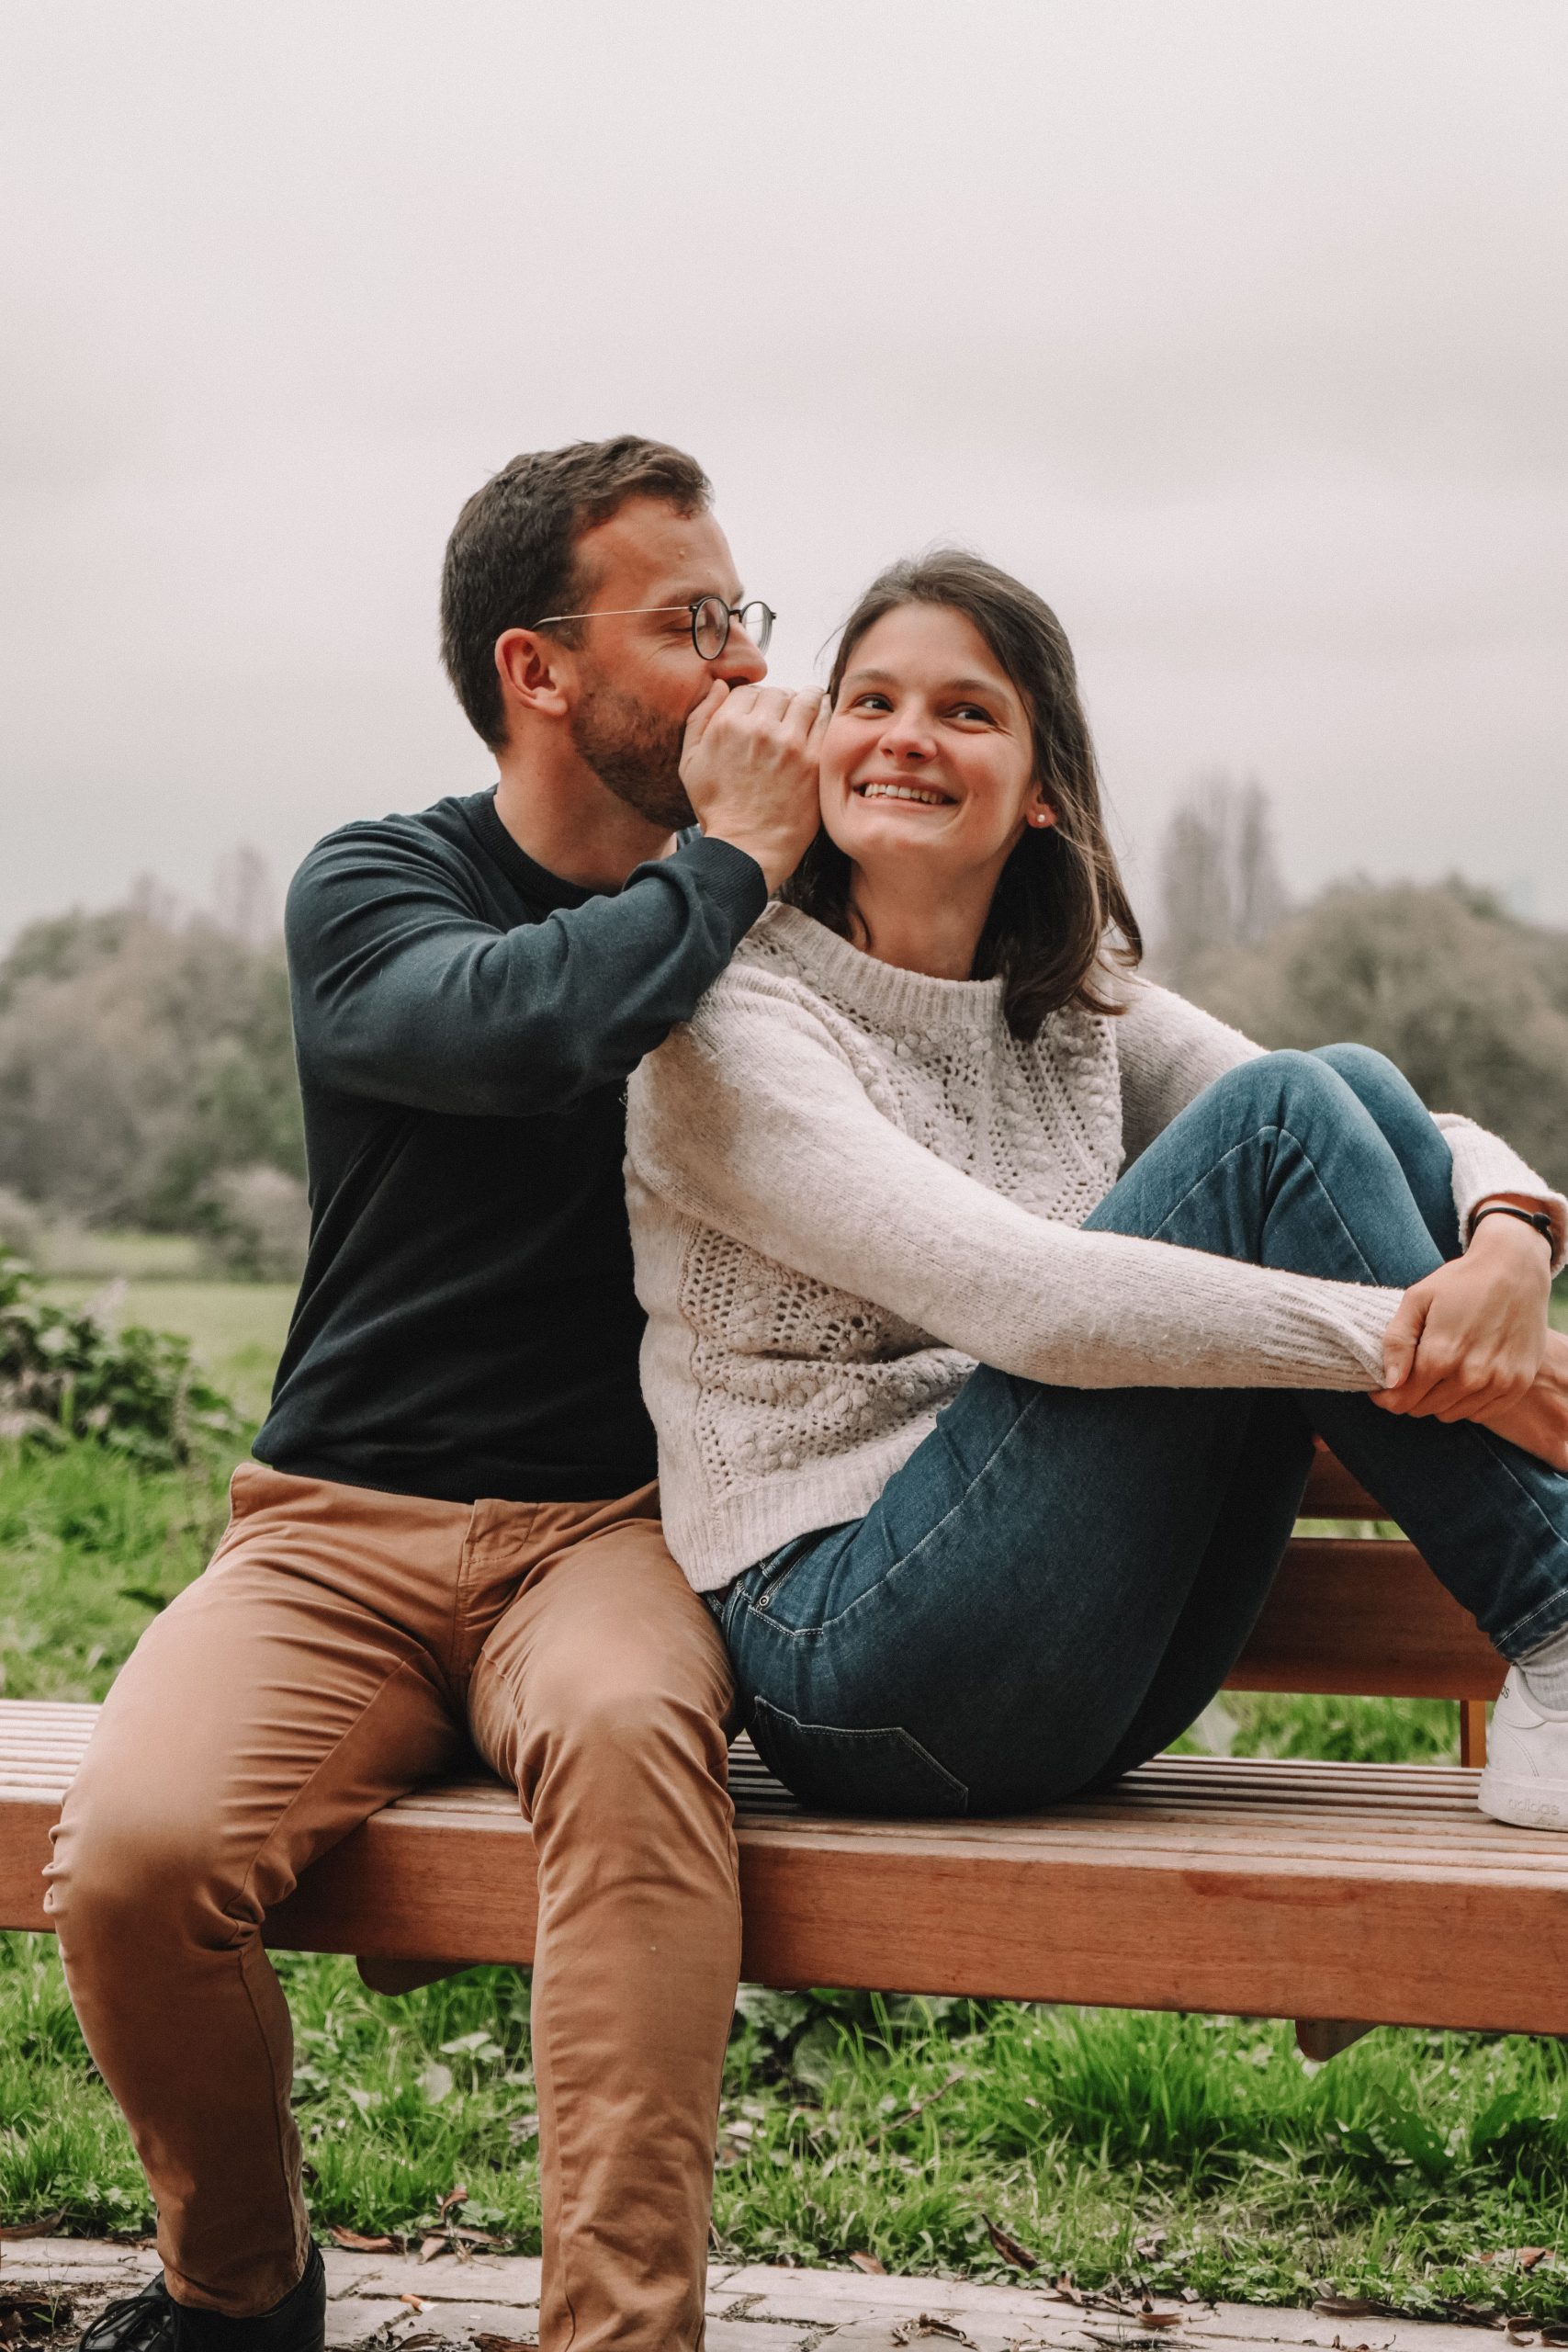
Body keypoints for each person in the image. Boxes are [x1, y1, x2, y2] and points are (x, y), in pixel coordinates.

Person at [46, 436, 829, 2352]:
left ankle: (615, 2337)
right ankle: (238, 2290)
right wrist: (725, 864)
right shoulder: (377, 886)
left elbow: (1100, 1031)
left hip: (605, 1537)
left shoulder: (785, 920)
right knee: (133, 1860)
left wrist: (1478, 1192)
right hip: (333, 1530)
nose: (739, 666)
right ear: (535, 669)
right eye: (688, 621)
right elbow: (513, 1026)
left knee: (641, 1757)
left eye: (747, 613)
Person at [626, 548, 1568, 1835]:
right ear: (818, 745)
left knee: (1335, 1079)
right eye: (872, 701)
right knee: (1278, 1122)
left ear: (1043, 796)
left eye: (967, 711)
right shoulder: (730, 1021)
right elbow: (1032, 1302)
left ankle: (1562, 1637)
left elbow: (1399, 1126)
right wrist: (1456, 1356)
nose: (908, 738)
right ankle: (1563, 1624)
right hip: (856, 1660)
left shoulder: (1066, 1008)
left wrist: (1513, 1243)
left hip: (1090, 1652)